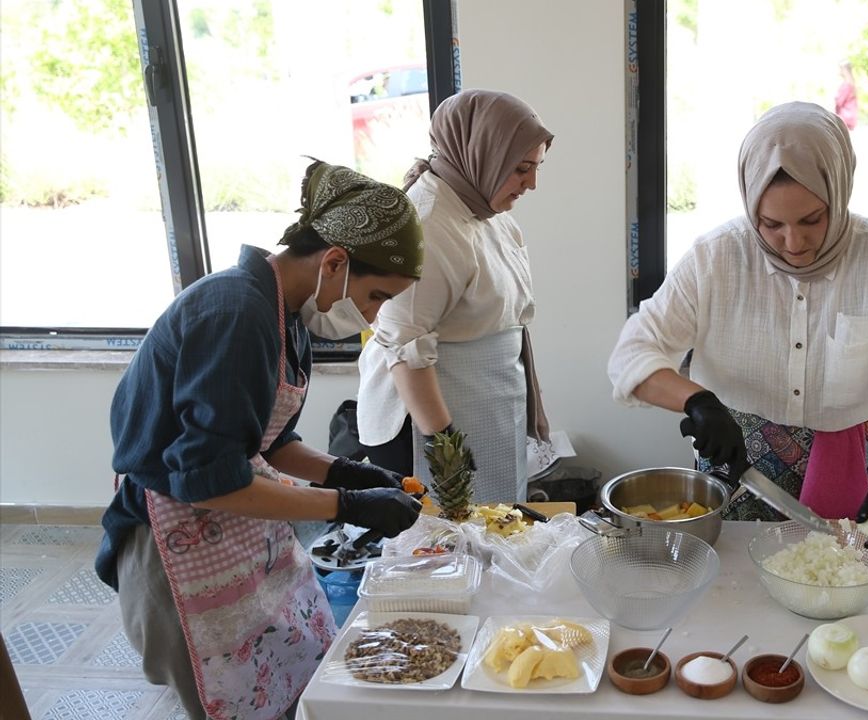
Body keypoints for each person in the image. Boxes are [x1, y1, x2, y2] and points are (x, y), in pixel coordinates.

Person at [95, 159, 425, 720]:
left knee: (284, 674)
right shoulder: (234, 312)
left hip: (236, 530)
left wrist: (349, 472)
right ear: (335, 262)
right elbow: (210, 478)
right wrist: (347, 504)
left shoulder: (284, 313)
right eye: (375, 295)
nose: (371, 316)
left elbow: (268, 441)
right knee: (227, 698)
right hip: (180, 537)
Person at [607, 102, 868, 548]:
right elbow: (632, 353)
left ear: (838, 194)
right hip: (737, 457)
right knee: (730, 585)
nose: (794, 242)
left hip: (851, 457)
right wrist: (698, 402)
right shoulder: (716, 257)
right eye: (770, 224)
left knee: (837, 577)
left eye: (812, 220)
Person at [357, 89, 554, 503]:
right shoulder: (427, 225)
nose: (532, 184)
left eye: (536, 168)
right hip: (429, 425)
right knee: (441, 549)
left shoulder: (483, 209)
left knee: (494, 530)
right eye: (521, 169)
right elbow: (403, 348)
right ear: (482, 154)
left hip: (485, 407)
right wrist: (445, 446)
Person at [835, 60, 859, 131]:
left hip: (845, 118)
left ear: (844, 70)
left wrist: (836, 98)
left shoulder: (847, 85)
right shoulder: (851, 83)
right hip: (850, 118)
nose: (839, 71)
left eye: (840, 69)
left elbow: (839, 102)